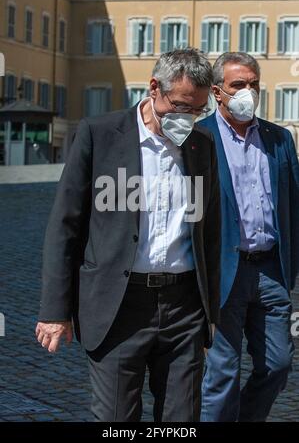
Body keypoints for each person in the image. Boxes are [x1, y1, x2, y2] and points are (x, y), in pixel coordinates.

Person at [35, 48, 221, 422]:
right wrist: (55, 311)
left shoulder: (202, 146)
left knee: (182, 420)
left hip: (183, 306)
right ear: (154, 88)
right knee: (117, 419)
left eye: (198, 110)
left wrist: (208, 316)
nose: (187, 118)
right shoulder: (98, 134)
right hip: (119, 305)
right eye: (181, 105)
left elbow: (210, 233)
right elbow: (65, 226)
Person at [199, 52, 299, 422]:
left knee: (278, 364)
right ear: (217, 92)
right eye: (238, 85)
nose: (248, 92)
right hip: (225, 271)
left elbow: (293, 205)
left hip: (271, 270)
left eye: (253, 84)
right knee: (222, 372)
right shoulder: (199, 137)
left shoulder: (279, 138)